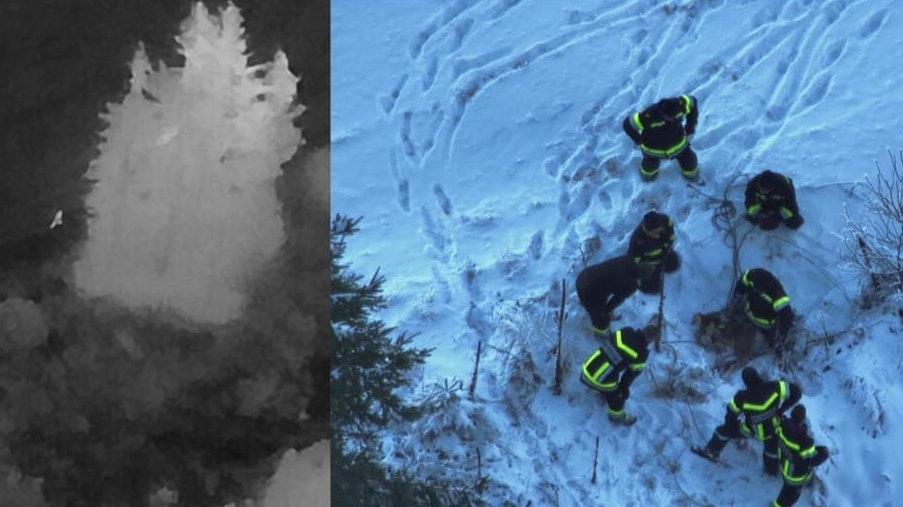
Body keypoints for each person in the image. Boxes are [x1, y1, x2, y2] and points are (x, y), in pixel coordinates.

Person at [694, 367, 802, 475]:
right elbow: (797, 393)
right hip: (774, 429)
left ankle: (711, 452)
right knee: (771, 453)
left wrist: (731, 425)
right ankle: (771, 472)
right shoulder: (774, 386)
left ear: (745, 381)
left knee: (721, 432)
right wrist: (782, 409)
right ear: (758, 375)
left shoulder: (741, 397)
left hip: (751, 431)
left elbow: (731, 414)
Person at [580, 324, 659, 426]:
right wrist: (623, 390)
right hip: (598, 380)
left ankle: (600, 391)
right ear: (651, 340)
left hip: (587, 368)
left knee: (611, 376)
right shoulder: (642, 353)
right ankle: (616, 417)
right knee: (619, 395)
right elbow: (629, 377)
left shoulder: (626, 331)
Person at [622, 94, 700, 182]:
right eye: (670, 118)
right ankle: (648, 178)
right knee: (649, 168)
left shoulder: (681, 105)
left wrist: (690, 127)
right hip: (653, 151)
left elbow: (692, 102)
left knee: (691, 161)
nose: (673, 119)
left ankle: (691, 176)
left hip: (679, 146)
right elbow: (628, 124)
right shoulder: (648, 116)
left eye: (675, 117)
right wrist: (639, 140)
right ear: (662, 113)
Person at [771, 404, 830, 507]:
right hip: (795, 477)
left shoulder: (782, 426)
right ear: (802, 420)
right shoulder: (804, 442)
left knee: (786, 490)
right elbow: (812, 460)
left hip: (784, 464)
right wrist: (824, 453)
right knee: (789, 498)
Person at [729, 268, 794, 357]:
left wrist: (780, 339)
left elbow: (786, 318)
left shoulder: (777, 295)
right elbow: (743, 282)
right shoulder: (753, 276)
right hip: (748, 315)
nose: (757, 291)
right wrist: (736, 299)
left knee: (772, 345)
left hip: (767, 327)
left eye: (760, 291)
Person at [576, 255, 642, 339]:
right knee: (601, 319)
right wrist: (606, 312)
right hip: (590, 291)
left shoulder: (628, 259)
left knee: (603, 290)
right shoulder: (632, 284)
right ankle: (601, 333)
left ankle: (586, 303)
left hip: (584, 276)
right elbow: (616, 300)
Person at [628, 211, 680, 294]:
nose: (658, 236)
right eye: (654, 234)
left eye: (658, 231)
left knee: (675, 264)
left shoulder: (666, 220)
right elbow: (632, 260)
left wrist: (667, 246)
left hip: (664, 253)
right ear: (647, 232)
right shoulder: (637, 241)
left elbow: (671, 234)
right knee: (653, 289)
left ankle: (662, 267)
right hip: (649, 263)